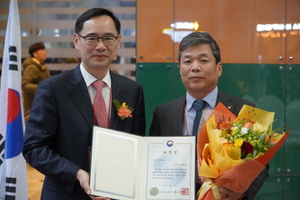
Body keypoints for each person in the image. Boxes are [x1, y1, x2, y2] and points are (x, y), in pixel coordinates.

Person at [22, 8, 146, 200]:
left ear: (118, 41)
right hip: (66, 194)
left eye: (108, 38)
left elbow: (136, 147)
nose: (101, 46)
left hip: (118, 194)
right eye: (92, 38)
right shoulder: (53, 89)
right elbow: (34, 149)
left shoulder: (133, 91)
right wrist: (77, 173)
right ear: (76, 41)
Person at [149, 32, 268, 200]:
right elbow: (155, 162)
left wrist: (241, 194)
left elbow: (260, 165)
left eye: (203, 60)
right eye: (187, 61)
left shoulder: (243, 110)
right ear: (180, 70)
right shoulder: (163, 113)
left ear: (219, 68)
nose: (195, 67)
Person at [22, 42, 50, 120]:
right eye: (41, 50)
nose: (44, 52)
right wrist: (41, 88)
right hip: (33, 108)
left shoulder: (41, 67)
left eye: (44, 49)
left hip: (40, 106)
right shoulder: (32, 68)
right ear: (34, 53)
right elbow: (25, 84)